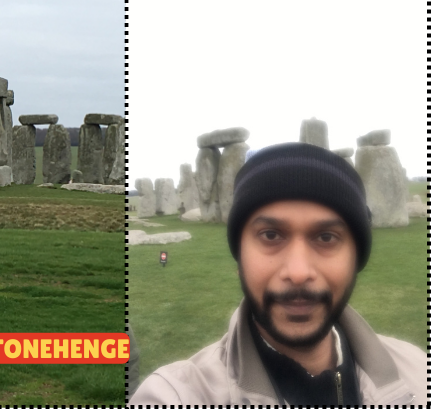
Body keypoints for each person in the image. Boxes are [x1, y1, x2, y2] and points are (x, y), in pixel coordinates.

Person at [130, 143, 425, 405]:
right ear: (239, 256)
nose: (298, 273)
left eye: (326, 238)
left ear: (356, 257)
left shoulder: (418, 372)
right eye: (271, 235)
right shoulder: (177, 394)